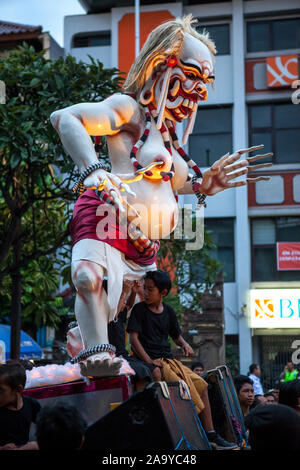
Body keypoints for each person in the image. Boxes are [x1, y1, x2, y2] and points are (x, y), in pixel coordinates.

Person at [50, 15, 271, 377]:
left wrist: (204, 184)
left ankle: (87, 341)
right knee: (87, 278)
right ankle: (93, 353)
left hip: (143, 240)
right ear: (161, 66)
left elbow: (176, 182)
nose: (198, 93)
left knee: (121, 305)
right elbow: (66, 119)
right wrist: (93, 169)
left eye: (205, 84)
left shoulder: (168, 132)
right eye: (192, 77)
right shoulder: (128, 110)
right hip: (107, 213)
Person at [127, 270, 238, 450]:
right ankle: (186, 436)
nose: (146, 293)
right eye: (145, 289)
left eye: (150, 290)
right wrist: (150, 361)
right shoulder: (139, 310)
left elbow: (176, 336)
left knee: (201, 385)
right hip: (154, 362)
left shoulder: (168, 311)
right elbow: (133, 339)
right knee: (182, 389)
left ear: (162, 293)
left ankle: (211, 434)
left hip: (170, 361)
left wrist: (185, 344)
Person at [0, 361, 40, 450]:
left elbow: (48, 430)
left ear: (18, 389)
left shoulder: (31, 404)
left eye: (0, 390)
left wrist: (35, 444)